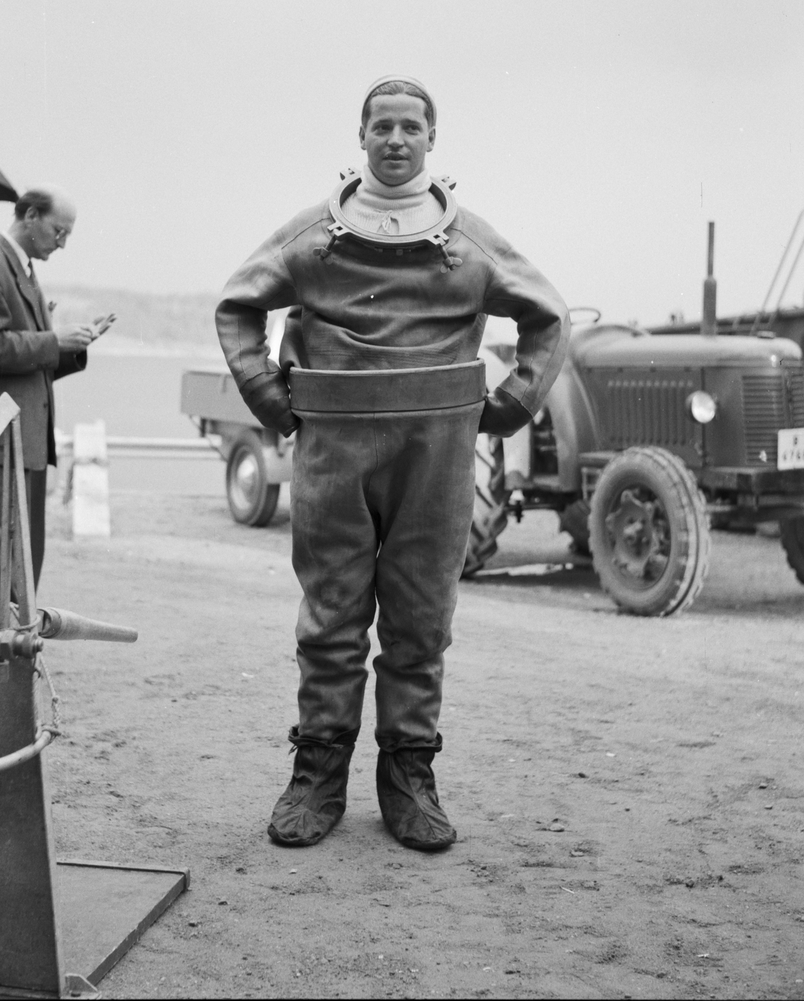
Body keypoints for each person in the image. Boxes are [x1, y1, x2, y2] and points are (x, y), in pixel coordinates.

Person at [215, 76, 570, 852]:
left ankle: (410, 777)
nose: (397, 139)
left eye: (412, 127)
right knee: (331, 615)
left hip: (435, 457)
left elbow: (549, 316)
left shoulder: (468, 243)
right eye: (383, 126)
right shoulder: (314, 237)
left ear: (432, 138)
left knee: (420, 617)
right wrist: (272, 398)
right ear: (362, 136)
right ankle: (317, 775)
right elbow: (238, 304)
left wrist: (505, 407)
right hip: (333, 453)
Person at [0, 187, 98, 587]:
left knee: (18, 564)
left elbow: (26, 363)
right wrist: (54, 340)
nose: (61, 244)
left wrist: (71, 346)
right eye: (59, 232)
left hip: (18, 442)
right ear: (30, 216)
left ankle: (14, 628)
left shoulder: (20, 268)